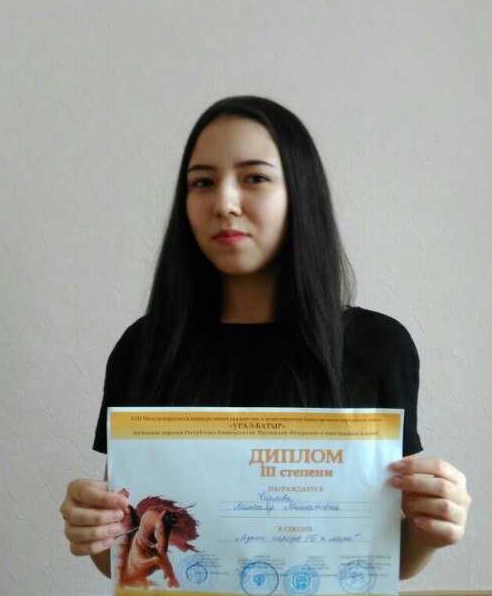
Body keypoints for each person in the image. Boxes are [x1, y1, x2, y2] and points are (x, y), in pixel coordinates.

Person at [60, 95, 471, 581]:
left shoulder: (379, 347)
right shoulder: (145, 347)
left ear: (300, 192)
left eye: (254, 178)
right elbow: (118, 555)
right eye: (202, 182)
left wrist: (431, 529)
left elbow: (384, 561)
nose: (224, 203)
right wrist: (91, 528)